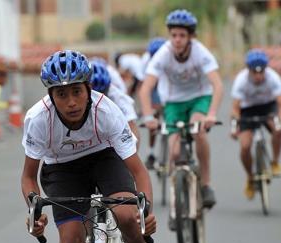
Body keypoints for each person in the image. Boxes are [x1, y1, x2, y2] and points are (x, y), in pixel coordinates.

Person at [21, 50, 160, 243]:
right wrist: (34, 211)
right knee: (71, 242)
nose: (71, 102)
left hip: (105, 158)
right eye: (61, 95)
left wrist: (146, 211)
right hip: (62, 168)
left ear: (88, 88)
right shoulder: (38, 119)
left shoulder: (106, 111)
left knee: (125, 214)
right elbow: (27, 177)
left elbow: (139, 171)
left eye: (76, 92)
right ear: (50, 96)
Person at [139, 9, 224, 210]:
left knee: (198, 131)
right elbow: (145, 89)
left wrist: (211, 114)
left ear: (191, 37)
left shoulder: (201, 53)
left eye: (182, 36)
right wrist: (149, 116)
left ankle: (206, 184)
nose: (177, 40)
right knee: (175, 152)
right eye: (174, 35)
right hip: (174, 102)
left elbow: (218, 85)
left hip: (199, 98)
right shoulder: (163, 55)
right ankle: (176, 196)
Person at [230, 49, 281, 199]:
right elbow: (235, 108)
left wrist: (280, 120)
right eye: (254, 73)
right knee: (245, 146)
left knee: (279, 129)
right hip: (247, 110)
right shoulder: (241, 80)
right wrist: (234, 126)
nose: (258, 76)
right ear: (248, 70)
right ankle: (250, 176)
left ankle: (275, 162)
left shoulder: (273, 77)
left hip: (268, 107)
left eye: (261, 72)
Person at [89, 59, 140, 145]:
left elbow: (131, 126)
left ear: (108, 87)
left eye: (103, 93)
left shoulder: (117, 95)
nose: (98, 98)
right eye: (94, 94)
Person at [141, 37, 167, 169]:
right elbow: (145, 86)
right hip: (153, 87)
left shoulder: (169, 57)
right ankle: (151, 153)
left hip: (168, 85)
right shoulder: (146, 61)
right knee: (153, 119)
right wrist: (149, 112)